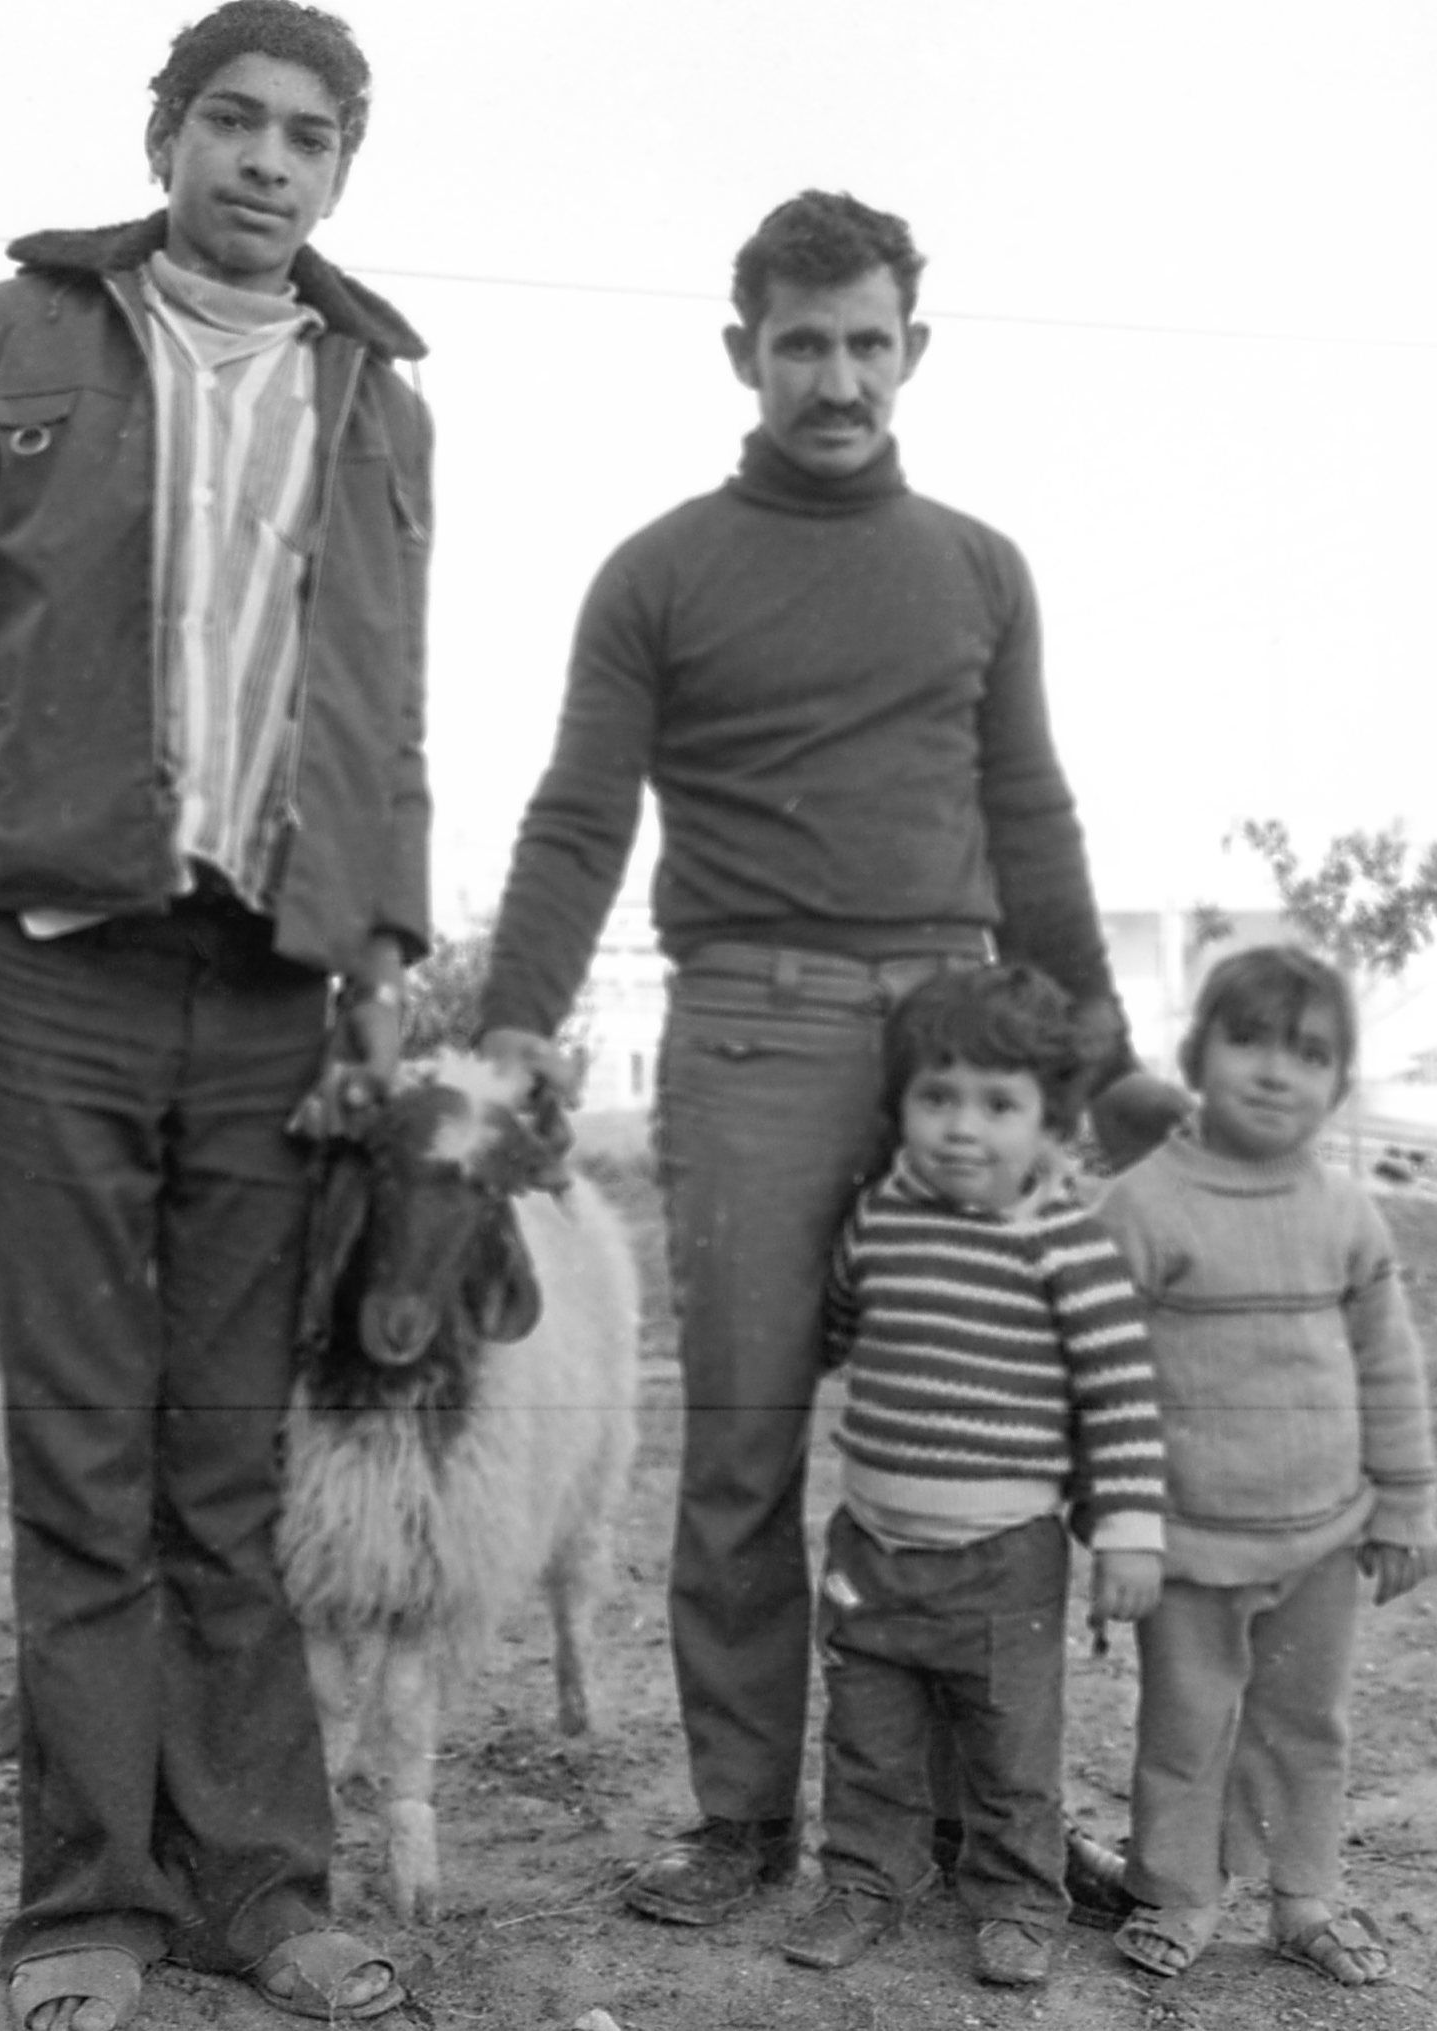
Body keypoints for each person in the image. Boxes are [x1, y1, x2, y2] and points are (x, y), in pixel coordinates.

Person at [0, 6, 429, 2026]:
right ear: (163, 135)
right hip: (62, 969)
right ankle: (85, 1904)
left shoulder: (378, 392)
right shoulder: (23, 339)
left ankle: (265, 1883)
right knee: (84, 1458)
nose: (267, 162)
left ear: (343, 170)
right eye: (232, 123)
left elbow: (382, 701)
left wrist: (378, 965)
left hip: (270, 985)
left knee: (223, 1471)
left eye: (307, 137)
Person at [473, 187, 1179, 1927]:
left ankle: (981, 1829)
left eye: (867, 342)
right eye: (801, 344)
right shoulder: (654, 570)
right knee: (743, 1451)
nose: (836, 376)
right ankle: (738, 1824)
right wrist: (508, 1028)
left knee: (993, 1442)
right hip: (752, 1033)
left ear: (910, 351)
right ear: (743, 354)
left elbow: (1029, 810)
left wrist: (1095, 1051)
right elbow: (575, 815)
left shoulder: (975, 567)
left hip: (957, 1038)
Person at [785, 966, 1167, 1989]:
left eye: (998, 1105)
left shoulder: (1065, 1244)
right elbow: (834, 1328)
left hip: (1003, 1559)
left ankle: (1013, 1901)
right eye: (936, 1098)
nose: (962, 1128)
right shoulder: (876, 1221)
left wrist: (1128, 1526)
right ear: (901, 1106)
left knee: (1009, 1755)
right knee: (864, 1741)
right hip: (869, 1546)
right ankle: (865, 1883)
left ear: (1049, 1123)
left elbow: (1118, 1394)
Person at [1087, 945, 1437, 1986]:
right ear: (1195, 1054)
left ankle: (1301, 1897)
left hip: (1324, 1538)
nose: (1275, 1072)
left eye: (1310, 1053)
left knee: (1302, 1725)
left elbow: (1388, 1360)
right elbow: (1104, 1384)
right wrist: (1123, 1526)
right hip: (1187, 1545)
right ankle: (1178, 1892)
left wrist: (1406, 1503)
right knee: (1185, 1725)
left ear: (1340, 1083)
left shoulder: (1342, 1213)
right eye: (1246, 1041)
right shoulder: (1141, 1206)